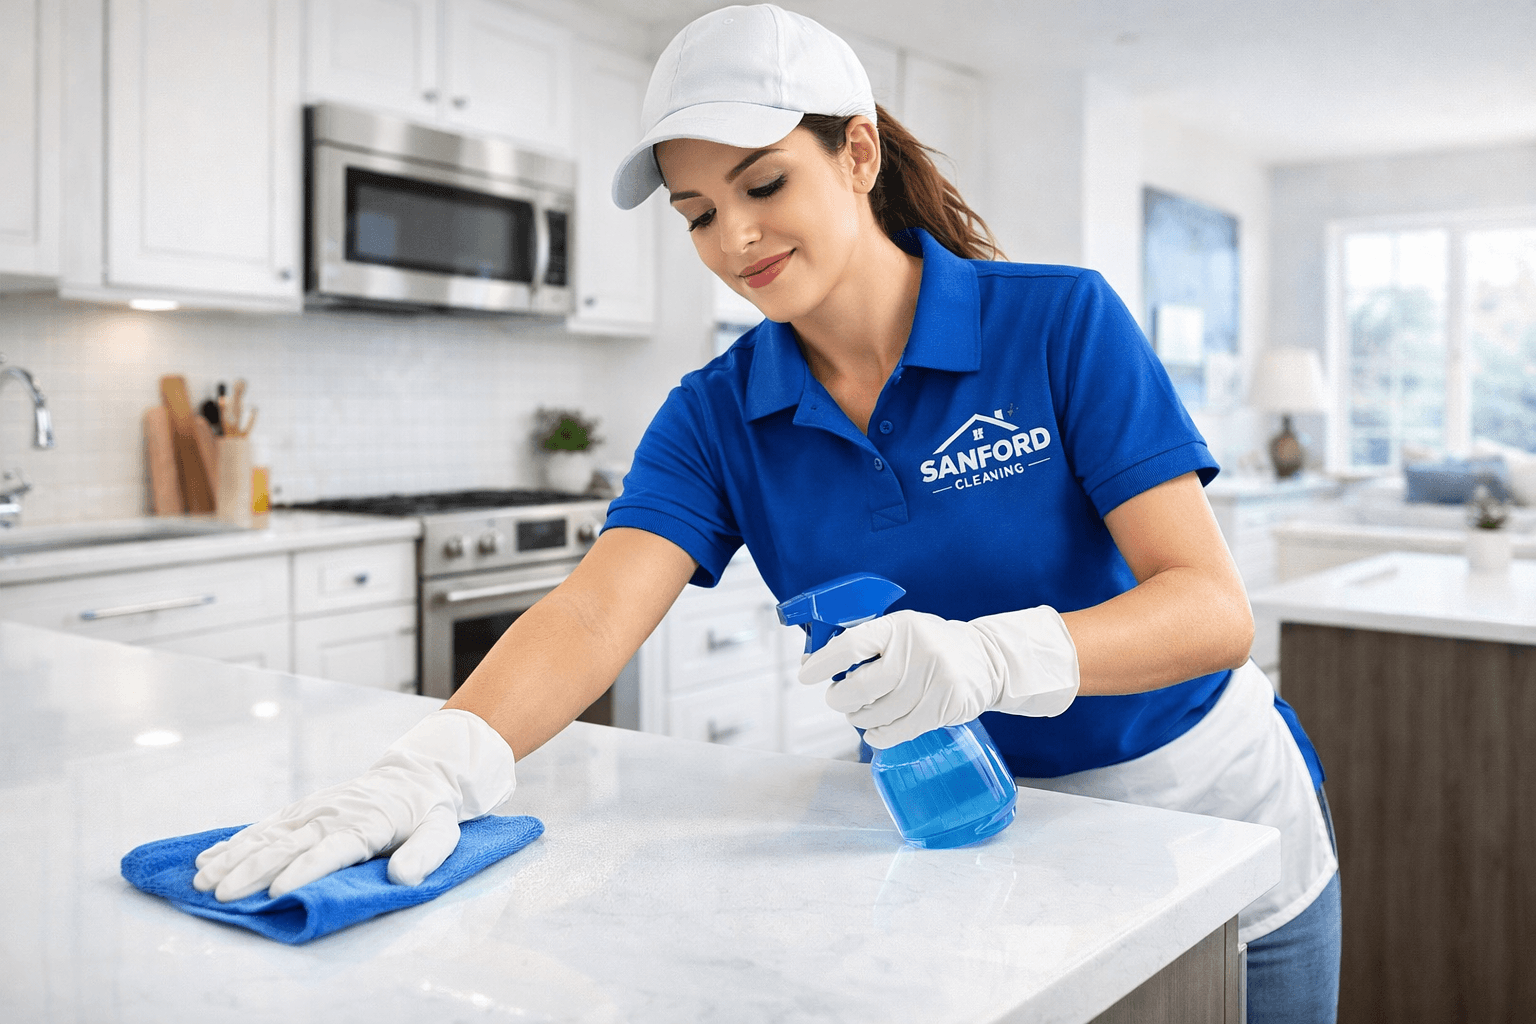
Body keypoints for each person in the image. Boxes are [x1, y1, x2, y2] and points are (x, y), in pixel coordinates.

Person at [192, 5, 1340, 1020]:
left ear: (857, 152)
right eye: (695, 212)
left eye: (761, 184)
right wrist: (432, 764)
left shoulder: (1057, 325)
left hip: (1208, 822)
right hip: (966, 839)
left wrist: (992, 656)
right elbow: (595, 614)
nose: (732, 239)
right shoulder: (718, 415)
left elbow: (1209, 612)